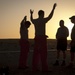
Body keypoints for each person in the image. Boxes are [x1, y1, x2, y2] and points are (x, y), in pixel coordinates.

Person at [30, 3, 57, 71]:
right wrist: (53, 9)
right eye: (43, 14)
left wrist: (31, 14)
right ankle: (44, 68)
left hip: (36, 38)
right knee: (43, 54)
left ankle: (34, 68)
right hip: (42, 39)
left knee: (36, 53)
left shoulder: (35, 21)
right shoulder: (43, 20)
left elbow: (31, 20)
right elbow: (50, 16)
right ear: (42, 14)